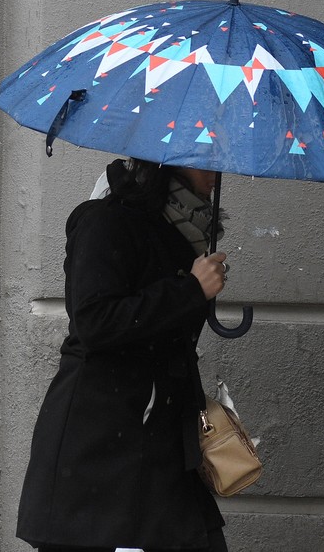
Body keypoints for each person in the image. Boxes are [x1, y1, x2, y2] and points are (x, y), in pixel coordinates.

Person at [17, 158, 231, 552]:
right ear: (168, 162)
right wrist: (189, 290)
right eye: (204, 160)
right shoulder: (106, 221)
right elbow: (94, 322)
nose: (215, 174)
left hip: (159, 447)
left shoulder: (186, 234)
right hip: (100, 451)